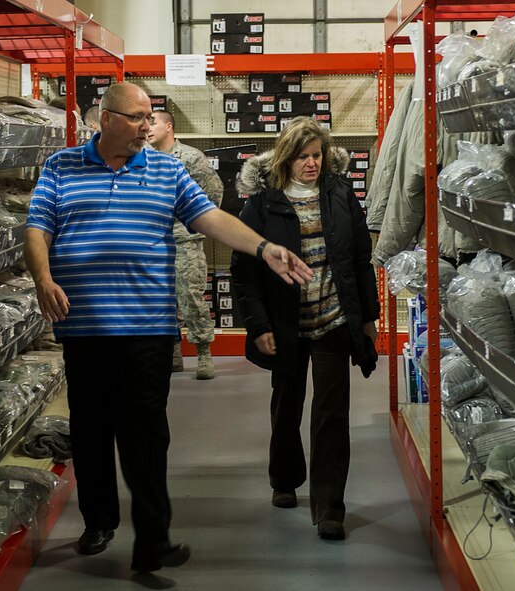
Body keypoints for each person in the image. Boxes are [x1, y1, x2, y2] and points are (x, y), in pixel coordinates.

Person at [24, 82, 312, 573]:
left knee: (146, 435)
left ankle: (153, 540)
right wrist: (43, 277)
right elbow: (37, 227)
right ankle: (98, 521)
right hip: (84, 326)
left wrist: (263, 248)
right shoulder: (61, 166)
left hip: (147, 327)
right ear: (105, 119)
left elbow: (211, 218)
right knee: (91, 430)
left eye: (148, 116)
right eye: (136, 117)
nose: (146, 125)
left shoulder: (166, 168)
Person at [230, 117, 380, 541]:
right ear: (285, 158)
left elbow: (360, 262)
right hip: (286, 324)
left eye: (316, 155)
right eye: (302, 157)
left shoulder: (339, 194)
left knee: (332, 413)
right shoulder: (262, 203)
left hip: (333, 320)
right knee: (287, 405)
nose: (311, 164)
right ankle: (284, 478)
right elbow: (244, 273)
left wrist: (368, 319)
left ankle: (330, 507)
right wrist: (258, 324)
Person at [147, 109, 223, 379]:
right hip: (153, 244)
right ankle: (174, 352)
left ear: (169, 126)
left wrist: (192, 224)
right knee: (161, 301)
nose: (148, 127)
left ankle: (203, 352)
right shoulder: (142, 158)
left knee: (191, 298)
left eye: (153, 122)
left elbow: (214, 194)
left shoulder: (190, 157)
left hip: (185, 242)